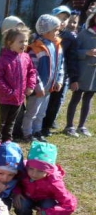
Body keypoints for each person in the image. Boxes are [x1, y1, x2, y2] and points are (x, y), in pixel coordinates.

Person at [13, 141, 77, 215]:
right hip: (28, 197)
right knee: (20, 202)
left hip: (45, 201)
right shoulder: (24, 171)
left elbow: (69, 205)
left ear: (49, 171)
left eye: (40, 171)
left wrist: (47, 213)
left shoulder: (55, 182)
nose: (34, 174)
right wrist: (17, 192)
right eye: (31, 169)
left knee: (48, 204)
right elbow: (15, 181)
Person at [0, 26, 38, 149]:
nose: (24, 44)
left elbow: (32, 72)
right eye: (21, 41)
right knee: (0, 121)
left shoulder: (26, 57)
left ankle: (7, 139)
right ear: (10, 43)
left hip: (18, 98)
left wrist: (30, 85)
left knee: (11, 121)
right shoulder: (3, 60)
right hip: (4, 99)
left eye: (26, 41)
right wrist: (9, 92)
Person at [22, 14, 64, 142]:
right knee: (32, 112)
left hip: (49, 87)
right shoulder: (36, 48)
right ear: (46, 31)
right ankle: (27, 132)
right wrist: (38, 86)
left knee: (41, 112)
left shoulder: (57, 45)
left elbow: (60, 65)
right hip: (38, 88)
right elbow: (32, 70)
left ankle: (37, 130)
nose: (58, 32)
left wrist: (59, 80)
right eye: (55, 30)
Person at [42, 6, 80, 136]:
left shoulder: (70, 38)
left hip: (60, 75)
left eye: (65, 19)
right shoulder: (44, 35)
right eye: (60, 18)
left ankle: (47, 126)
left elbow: (72, 59)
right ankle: (36, 125)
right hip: (45, 74)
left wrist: (73, 78)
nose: (62, 21)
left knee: (55, 102)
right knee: (42, 101)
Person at [64, 11, 96, 137]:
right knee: (76, 98)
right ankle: (69, 126)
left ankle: (82, 126)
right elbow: (74, 52)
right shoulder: (84, 34)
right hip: (82, 73)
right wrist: (86, 52)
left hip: (94, 76)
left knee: (88, 99)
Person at [0, 141, 25, 209]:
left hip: (1, 201)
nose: (5, 178)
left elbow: (18, 186)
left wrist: (12, 191)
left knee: (6, 205)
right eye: (1, 173)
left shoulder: (14, 180)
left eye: (10, 175)